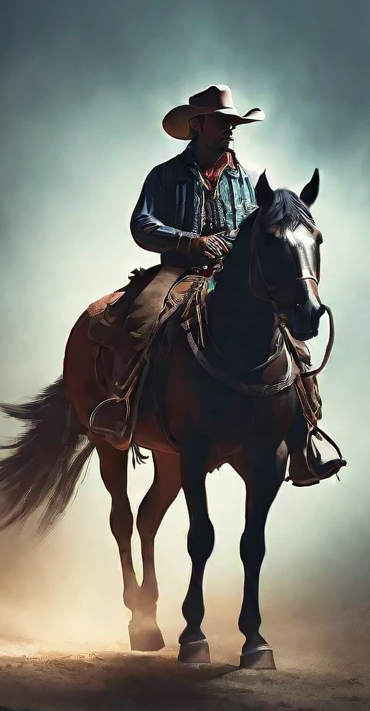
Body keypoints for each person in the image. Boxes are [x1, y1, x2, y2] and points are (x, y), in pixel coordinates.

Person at [89, 84, 343, 485]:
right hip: (176, 272)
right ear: (197, 125)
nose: (230, 130)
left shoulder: (245, 179)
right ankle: (119, 408)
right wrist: (190, 242)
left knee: (293, 342)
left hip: (230, 276)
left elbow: (259, 232)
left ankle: (304, 439)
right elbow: (143, 225)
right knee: (142, 319)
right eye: (222, 122)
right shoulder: (165, 175)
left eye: (233, 123)